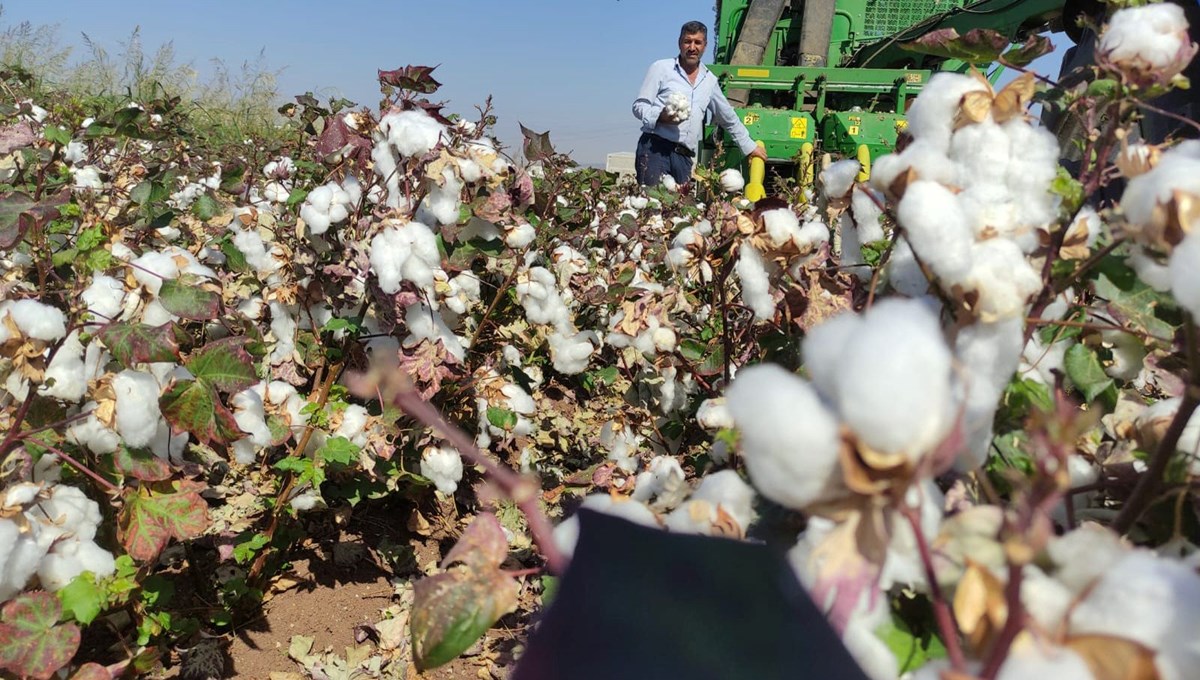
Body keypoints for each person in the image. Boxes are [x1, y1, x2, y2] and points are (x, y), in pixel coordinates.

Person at [632, 20, 767, 187]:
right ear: (679, 43)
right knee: (653, 205)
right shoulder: (661, 68)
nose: (692, 47)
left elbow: (728, 117)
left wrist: (750, 147)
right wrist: (660, 117)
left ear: (705, 45)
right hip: (655, 149)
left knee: (680, 209)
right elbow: (639, 106)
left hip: (684, 158)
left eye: (697, 42)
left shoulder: (709, 80)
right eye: (687, 41)